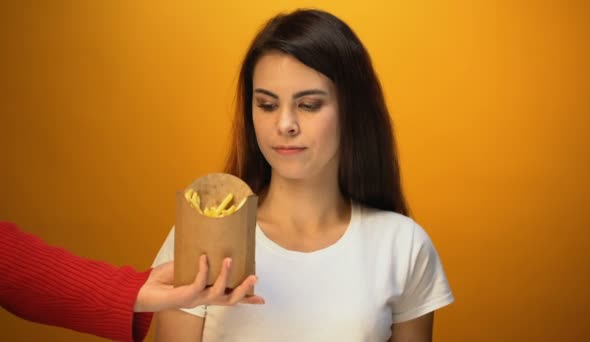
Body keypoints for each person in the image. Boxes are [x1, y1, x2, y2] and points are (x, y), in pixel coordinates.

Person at [152, 9, 454, 341]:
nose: (285, 125)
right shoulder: (200, 239)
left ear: (353, 110)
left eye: (308, 105)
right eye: (267, 105)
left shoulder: (403, 246)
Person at [0, 221, 264, 342]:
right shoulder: (195, 231)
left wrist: (127, 290)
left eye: (308, 106)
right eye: (267, 105)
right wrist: (125, 291)